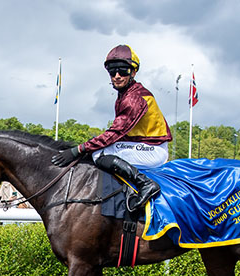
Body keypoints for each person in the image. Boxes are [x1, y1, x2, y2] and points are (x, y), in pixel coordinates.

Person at [51, 44, 172, 211]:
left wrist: (78, 149)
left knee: (99, 154)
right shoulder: (126, 93)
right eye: (112, 71)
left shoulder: (134, 98)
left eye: (123, 71)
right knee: (97, 152)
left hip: (153, 150)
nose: (117, 76)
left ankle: (145, 184)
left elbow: (114, 134)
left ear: (133, 72)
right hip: (143, 145)